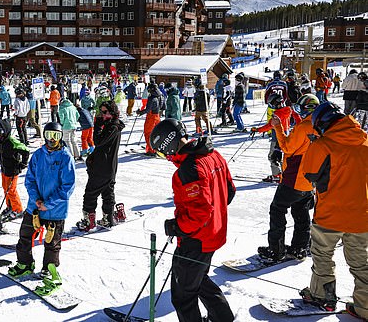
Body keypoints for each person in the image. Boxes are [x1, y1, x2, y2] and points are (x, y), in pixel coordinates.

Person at [150, 118, 236, 322]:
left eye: (162, 153)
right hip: (213, 233)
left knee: (183, 296)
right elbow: (229, 191)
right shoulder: (212, 154)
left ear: (168, 144)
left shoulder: (189, 169)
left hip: (196, 240)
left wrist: (177, 226)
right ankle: (223, 317)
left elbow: (200, 212)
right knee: (198, 280)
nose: (166, 157)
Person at [299, 102, 368, 319]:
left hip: (329, 215)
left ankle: (322, 296)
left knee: (322, 255)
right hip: (361, 216)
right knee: (360, 263)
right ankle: (365, 307)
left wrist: (315, 147)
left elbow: (308, 173)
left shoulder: (323, 144)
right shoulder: (366, 141)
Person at [8, 122, 76, 296]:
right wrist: (36, 199)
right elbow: (29, 179)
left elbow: (68, 186)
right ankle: (25, 263)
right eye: (49, 135)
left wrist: (49, 203)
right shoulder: (38, 155)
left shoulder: (65, 157)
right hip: (35, 207)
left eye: (56, 136)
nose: (52, 140)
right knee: (25, 234)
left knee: (52, 242)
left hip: (55, 210)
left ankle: (49, 269)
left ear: (61, 137)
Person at [257, 94, 319, 262]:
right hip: (310, 178)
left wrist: (277, 128)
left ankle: (275, 250)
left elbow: (287, 147)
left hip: (294, 178)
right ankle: (301, 247)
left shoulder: (304, 126)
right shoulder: (320, 125)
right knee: (301, 211)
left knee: (277, 210)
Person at [77, 100, 125, 231]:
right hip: (108, 167)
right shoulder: (113, 125)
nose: (102, 115)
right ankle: (107, 219)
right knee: (107, 192)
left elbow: (97, 141)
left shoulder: (112, 127)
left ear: (112, 112)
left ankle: (89, 221)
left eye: (105, 112)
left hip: (102, 167)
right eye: (101, 112)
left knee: (90, 194)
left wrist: (97, 124)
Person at [250, 93, 302, 183]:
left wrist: (258, 130)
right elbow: (297, 116)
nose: (271, 106)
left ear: (275, 103)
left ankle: (277, 175)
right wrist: (300, 125)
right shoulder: (288, 109)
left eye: (271, 104)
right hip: (287, 134)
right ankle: (284, 174)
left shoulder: (277, 114)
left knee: (272, 156)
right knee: (284, 156)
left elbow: (270, 125)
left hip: (277, 137)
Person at [0, 119, 29, 221]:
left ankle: (18, 210)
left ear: (5, 131)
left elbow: (25, 150)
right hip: (5, 168)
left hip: (13, 170)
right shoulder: (1, 141)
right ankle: (10, 206)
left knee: (11, 190)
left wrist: (22, 164)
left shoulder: (12, 141)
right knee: (5, 188)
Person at [136, 83, 164, 156]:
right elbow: (163, 106)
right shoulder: (161, 95)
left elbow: (148, 109)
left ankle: (151, 150)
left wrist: (140, 112)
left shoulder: (151, 97)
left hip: (151, 117)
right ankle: (156, 148)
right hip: (157, 116)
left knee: (148, 133)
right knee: (156, 133)